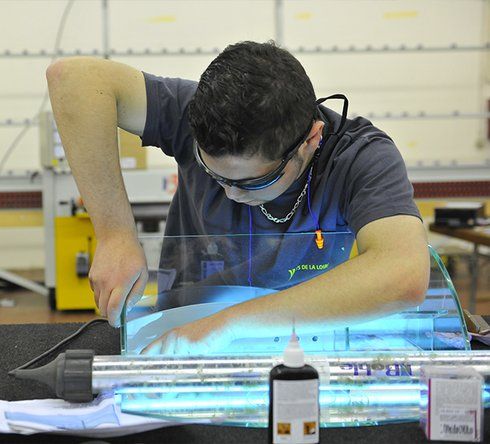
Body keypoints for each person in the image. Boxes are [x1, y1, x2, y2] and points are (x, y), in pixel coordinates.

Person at [46, 41, 430, 355]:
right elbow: (73, 79)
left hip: (303, 340)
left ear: (310, 141)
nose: (228, 192)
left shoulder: (359, 157)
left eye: (251, 182)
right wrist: (114, 234)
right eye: (213, 173)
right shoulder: (199, 114)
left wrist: (230, 323)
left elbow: (404, 273)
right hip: (182, 336)